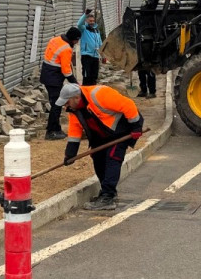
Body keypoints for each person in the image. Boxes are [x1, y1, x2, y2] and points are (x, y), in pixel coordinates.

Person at [57, 82, 143, 211]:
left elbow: (128, 105)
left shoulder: (99, 94)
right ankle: (107, 193)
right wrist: (70, 154)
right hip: (102, 134)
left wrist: (136, 127)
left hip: (122, 129)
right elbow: (74, 131)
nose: (65, 106)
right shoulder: (74, 110)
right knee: (98, 158)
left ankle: (107, 196)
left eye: (67, 102)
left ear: (76, 97)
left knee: (113, 158)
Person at [40, 26, 81, 140]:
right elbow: (66, 71)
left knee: (56, 103)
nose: (77, 43)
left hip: (46, 73)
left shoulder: (55, 39)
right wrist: (76, 84)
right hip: (54, 77)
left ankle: (56, 128)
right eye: (77, 40)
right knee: (57, 104)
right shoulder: (66, 49)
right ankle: (51, 132)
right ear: (73, 39)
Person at [76, 9, 103, 85]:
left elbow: (100, 42)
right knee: (86, 76)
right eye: (90, 21)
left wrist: (102, 52)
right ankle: (85, 91)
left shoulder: (96, 30)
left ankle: (92, 90)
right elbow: (79, 24)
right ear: (86, 21)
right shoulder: (84, 29)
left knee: (94, 77)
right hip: (86, 56)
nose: (92, 22)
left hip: (95, 56)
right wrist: (85, 14)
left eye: (93, 21)